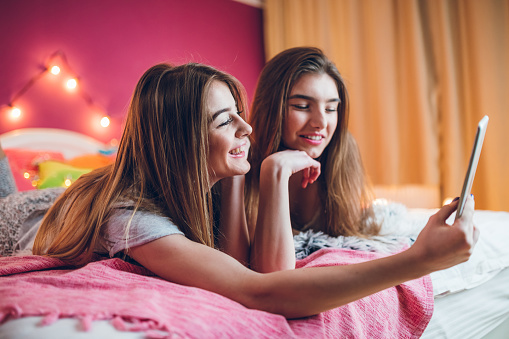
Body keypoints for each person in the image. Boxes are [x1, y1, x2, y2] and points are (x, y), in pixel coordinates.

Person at [1, 62, 477, 319]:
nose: (248, 127)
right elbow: (261, 291)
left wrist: (256, 173)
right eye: (226, 120)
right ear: (183, 141)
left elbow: (248, 265)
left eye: (239, 113)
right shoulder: (129, 217)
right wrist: (418, 260)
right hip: (21, 209)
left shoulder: (200, 186)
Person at [245, 47, 383, 271]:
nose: (321, 122)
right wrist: (276, 170)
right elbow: (270, 272)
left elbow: (347, 232)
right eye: (302, 106)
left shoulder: (342, 149)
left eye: (330, 108)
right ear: (270, 107)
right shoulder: (242, 159)